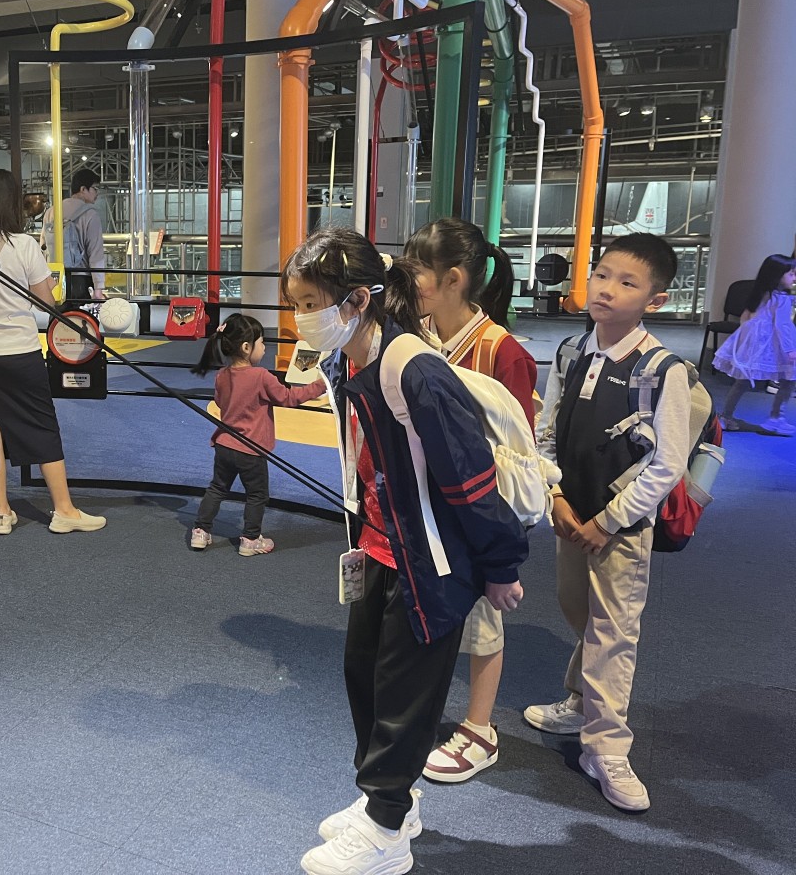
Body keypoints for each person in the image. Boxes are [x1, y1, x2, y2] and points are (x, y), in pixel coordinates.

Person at [282, 228, 528, 875]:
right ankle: (386, 802)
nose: (301, 318)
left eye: (309, 304)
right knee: (364, 679)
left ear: (357, 299)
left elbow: (470, 478)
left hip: (430, 565)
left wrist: (500, 566)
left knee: (403, 700)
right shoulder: (349, 360)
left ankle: (387, 833)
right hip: (378, 549)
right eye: (296, 304)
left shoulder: (412, 369)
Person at [526, 233, 691, 812]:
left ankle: (606, 746)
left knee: (613, 632)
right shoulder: (571, 351)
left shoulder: (662, 369)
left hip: (622, 529)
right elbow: (546, 430)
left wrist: (609, 521)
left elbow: (667, 463)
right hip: (569, 516)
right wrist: (554, 495)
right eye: (601, 274)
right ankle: (580, 701)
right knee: (580, 613)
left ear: (655, 299)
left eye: (627, 283)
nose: (606, 289)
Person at [404, 218, 537, 785]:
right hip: (424, 502)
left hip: (477, 510)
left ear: (452, 279)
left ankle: (480, 729)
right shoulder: (419, 335)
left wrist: (499, 542)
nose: (406, 282)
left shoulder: (500, 351)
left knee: (484, 619)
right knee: (425, 603)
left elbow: (519, 453)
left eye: (415, 272)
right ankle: (423, 705)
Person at [0, 169, 106, 536]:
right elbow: (45, 301)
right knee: (41, 426)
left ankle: (2, 513)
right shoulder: (24, 245)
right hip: (20, 351)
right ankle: (64, 510)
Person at [188, 313, 326, 556]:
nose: (264, 348)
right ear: (246, 347)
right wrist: (321, 384)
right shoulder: (261, 376)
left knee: (217, 488)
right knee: (257, 494)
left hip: (224, 445)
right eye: (262, 342)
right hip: (250, 450)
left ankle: (200, 531)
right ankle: (250, 539)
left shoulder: (222, 375)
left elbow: (220, 402)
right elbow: (288, 397)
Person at [713, 253, 796, 435]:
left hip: (753, 343)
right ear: (777, 275)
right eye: (791, 274)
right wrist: (790, 349)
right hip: (775, 344)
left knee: (742, 381)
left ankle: (726, 416)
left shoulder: (760, 293)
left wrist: (745, 340)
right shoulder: (781, 298)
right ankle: (776, 418)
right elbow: (782, 326)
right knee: (789, 380)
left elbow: (746, 318)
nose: (794, 278)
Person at [45, 168, 105, 303]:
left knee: (57, 315)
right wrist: (98, 288)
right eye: (95, 189)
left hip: (55, 278)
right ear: (83, 189)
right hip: (80, 280)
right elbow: (96, 253)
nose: (97, 194)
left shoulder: (51, 212)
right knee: (79, 316)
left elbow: (44, 247)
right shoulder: (90, 214)